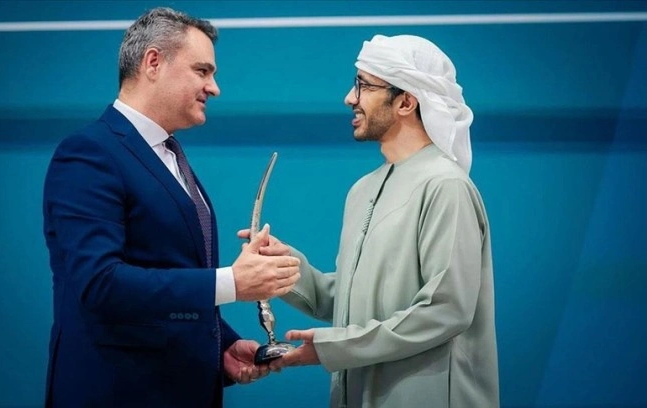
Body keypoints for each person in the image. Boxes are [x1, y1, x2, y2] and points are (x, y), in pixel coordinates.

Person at [42, 7, 301, 407]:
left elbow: (166, 269)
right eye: (202, 71)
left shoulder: (168, 153)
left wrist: (222, 345)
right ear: (153, 62)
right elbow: (99, 284)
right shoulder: (89, 153)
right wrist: (232, 283)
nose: (214, 88)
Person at [252, 35, 499, 407]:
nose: (349, 98)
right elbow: (352, 301)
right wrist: (285, 267)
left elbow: (446, 309)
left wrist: (335, 347)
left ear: (406, 102)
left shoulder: (446, 186)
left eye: (364, 86)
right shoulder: (362, 190)